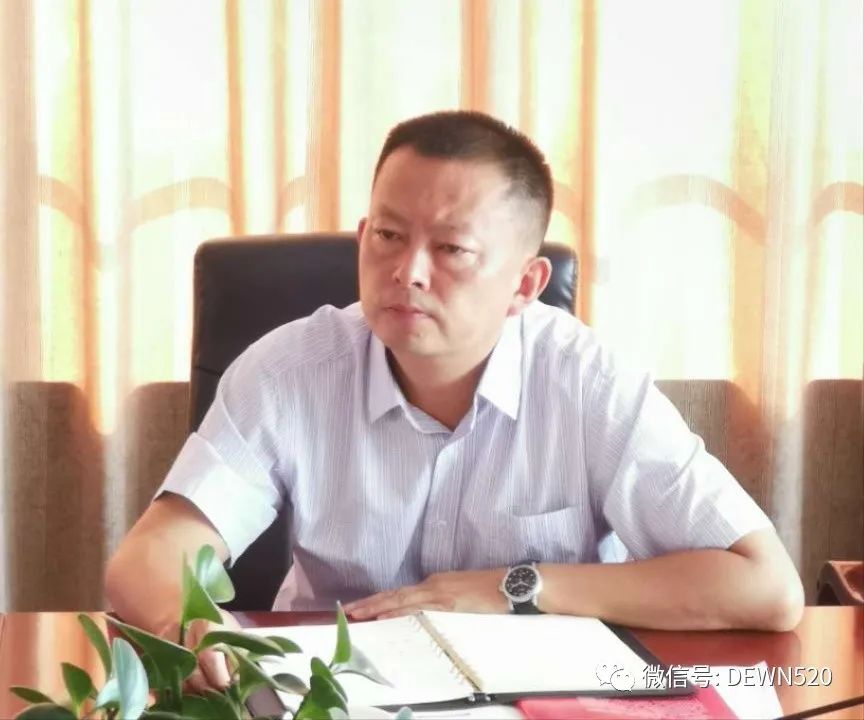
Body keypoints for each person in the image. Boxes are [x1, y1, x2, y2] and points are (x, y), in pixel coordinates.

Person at [105, 111, 804, 692]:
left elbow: (766, 587)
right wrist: (185, 622)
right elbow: (152, 552)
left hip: (538, 694)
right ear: (363, 237)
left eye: (452, 249)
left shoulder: (588, 385)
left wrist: (516, 586)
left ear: (525, 284)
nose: (407, 272)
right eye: (388, 236)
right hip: (330, 691)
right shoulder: (289, 370)